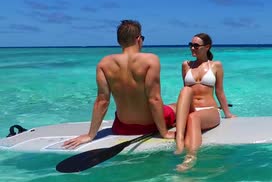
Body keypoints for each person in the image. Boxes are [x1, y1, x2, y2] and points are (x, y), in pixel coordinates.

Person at [63, 20, 193, 150]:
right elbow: (154, 99)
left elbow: (102, 101)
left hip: (122, 127)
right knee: (177, 106)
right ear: (138, 39)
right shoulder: (150, 60)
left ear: (119, 41)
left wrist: (90, 135)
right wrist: (164, 132)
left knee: (170, 106)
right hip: (150, 124)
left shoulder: (104, 63)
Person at [172, 32, 236, 171]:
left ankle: (191, 157)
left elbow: (219, 91)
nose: (192, 48)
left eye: (196, 45)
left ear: (207, 47)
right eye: (191, 45)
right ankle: (180, 142)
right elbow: (185, 93)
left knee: (193, 117)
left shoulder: (216, 66)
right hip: (191, 108)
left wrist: (228, 113)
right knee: (185, 91)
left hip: (209, 110)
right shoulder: (186, 65)